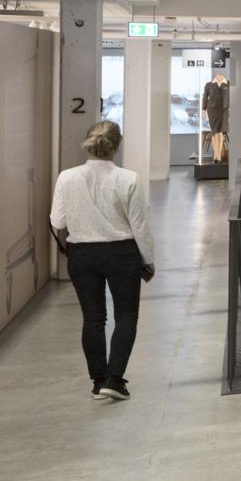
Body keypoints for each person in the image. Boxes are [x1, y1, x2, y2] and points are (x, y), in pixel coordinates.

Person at [49, 121, 155, 400]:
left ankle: (97, 381)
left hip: (81, 254)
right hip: (121, 253)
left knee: (93, 318)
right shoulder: (128, 178)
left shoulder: (66, 177)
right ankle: (115, 379)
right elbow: (139, 225)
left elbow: (58, 220)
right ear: (116, 146)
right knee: (126, 316)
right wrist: (148, 260)